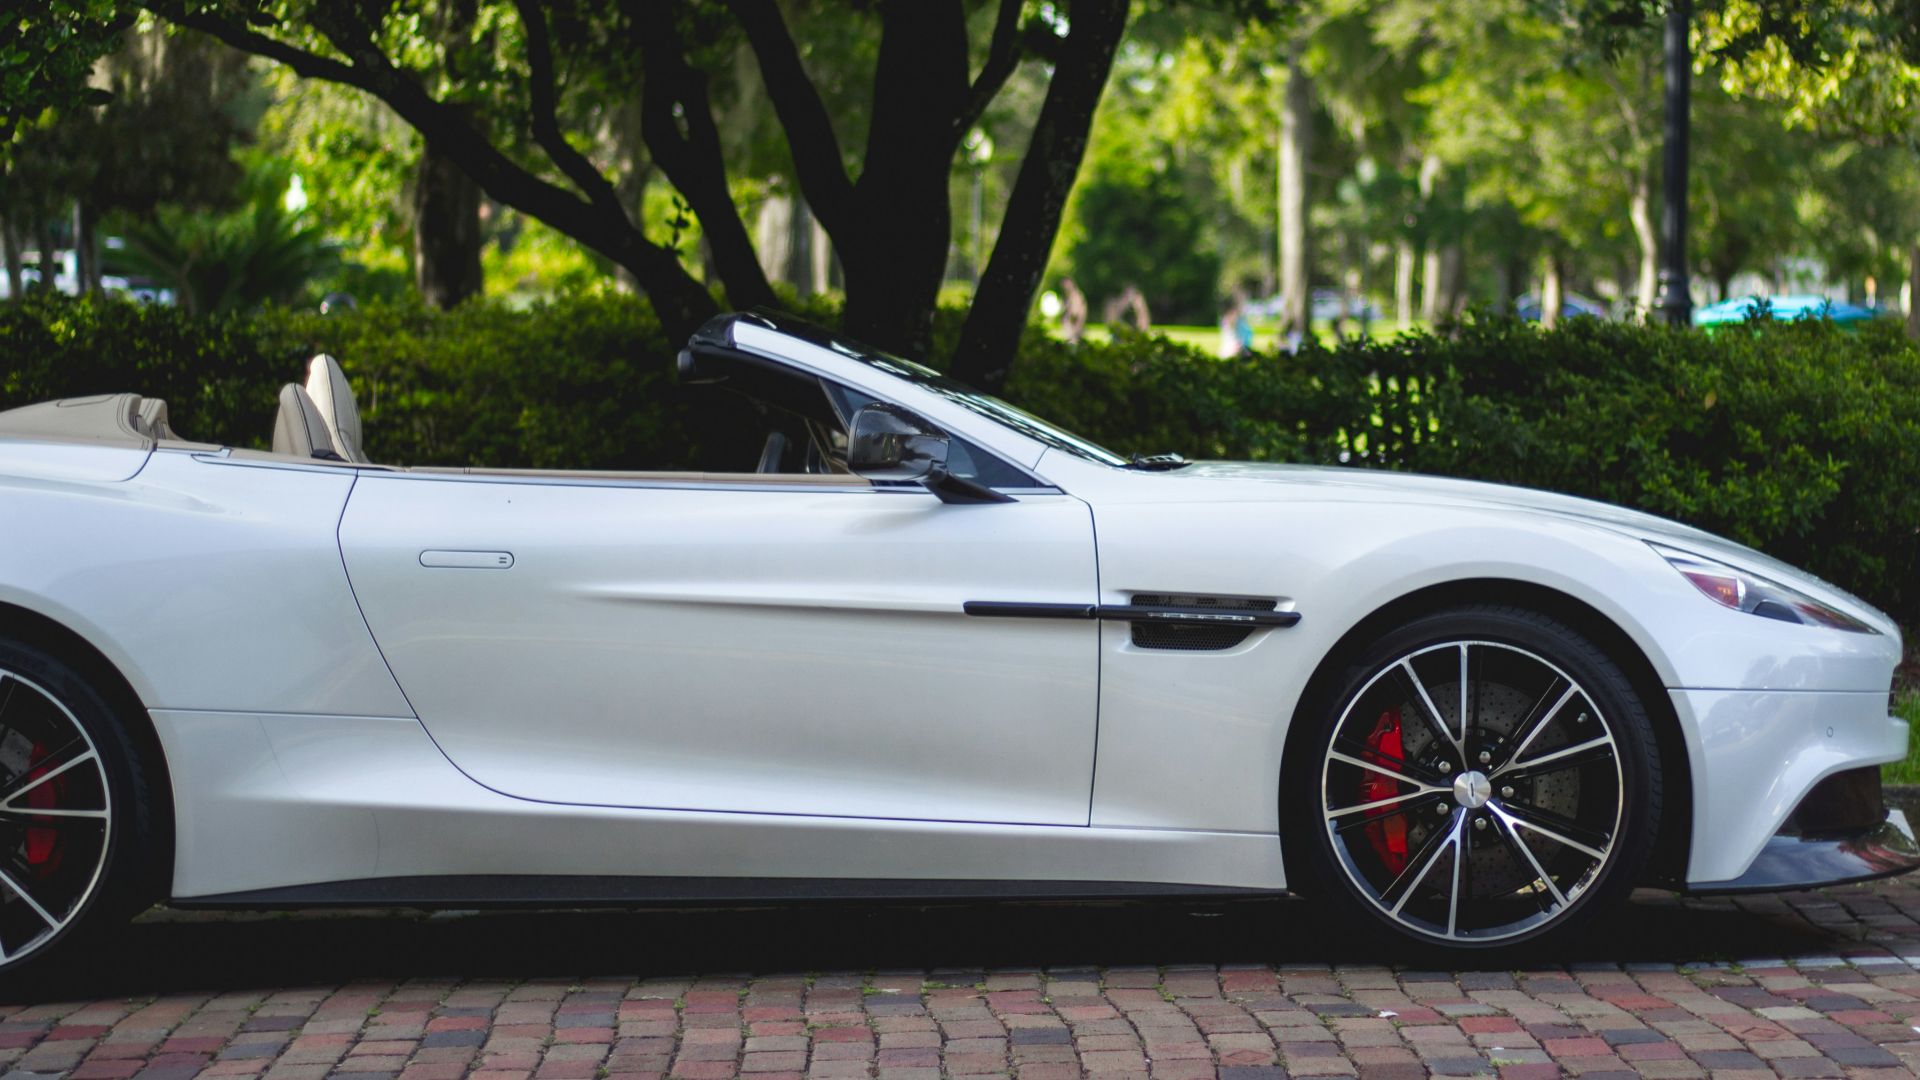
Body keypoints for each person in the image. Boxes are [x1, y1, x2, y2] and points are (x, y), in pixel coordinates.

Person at [1059, 277, 1088, 344]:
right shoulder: (1068, 295)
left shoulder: (1076, 295)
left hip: (1074, 323)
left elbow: (1077, 312)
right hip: (1072, 323)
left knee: (1073, 341)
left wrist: (1076, 322)